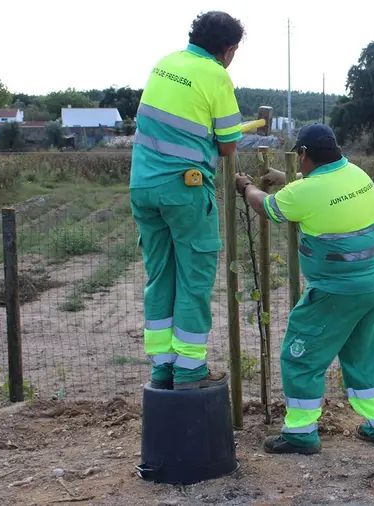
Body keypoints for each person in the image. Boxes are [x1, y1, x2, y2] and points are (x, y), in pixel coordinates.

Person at [235, 123, 374, 455]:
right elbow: (314, 190)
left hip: (337, 291)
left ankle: (300, 433)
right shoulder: (356, 175)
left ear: (306, 155)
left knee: (301, 355)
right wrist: (283, 177)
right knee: (360, 355)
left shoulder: (305, 193)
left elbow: (265, 207)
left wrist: (246, 185)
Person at [129, 11, 245, 391]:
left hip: (143, 188)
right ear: (228, 50)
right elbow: (228, 146)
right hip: (184, 189)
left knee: (161, 275)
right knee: (195, 280)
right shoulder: (216, 75)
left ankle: (163, 366)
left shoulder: (165, 64)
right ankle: (190, 368)